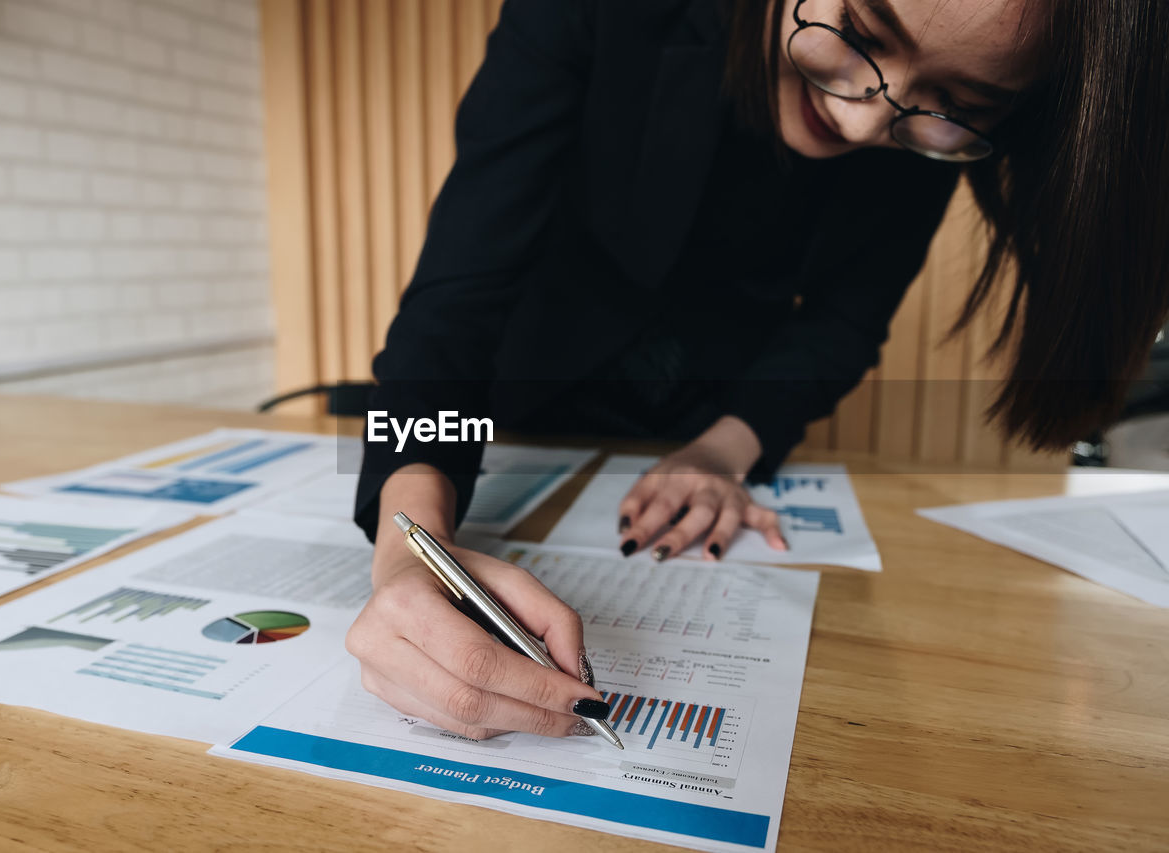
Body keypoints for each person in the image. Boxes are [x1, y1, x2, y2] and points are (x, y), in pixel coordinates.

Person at [345, 0, 1169, 741]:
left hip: (700, 422)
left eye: (954, 105)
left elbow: (845, 324)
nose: (859, 122)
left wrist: (724, 449)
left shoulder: (920, 127)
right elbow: (460, 288)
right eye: (856, 33)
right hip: (512, 403)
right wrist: (409, 539)